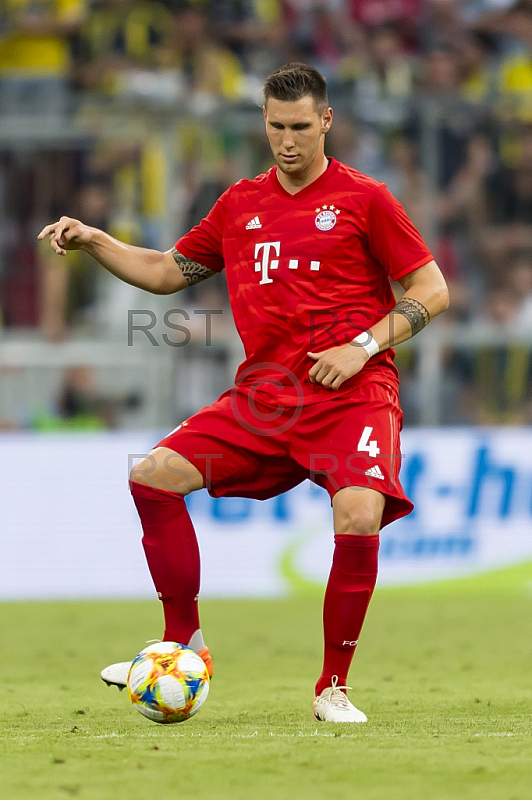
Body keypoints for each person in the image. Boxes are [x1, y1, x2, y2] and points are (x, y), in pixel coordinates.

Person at [38, 62, 449, 723]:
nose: (287, 141)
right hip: (266, 398)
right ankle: (183, 645)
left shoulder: (365, 198)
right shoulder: (240, 204)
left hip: (353, 391)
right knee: (152, 478)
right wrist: (95, 241)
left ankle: (332, 687)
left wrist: (362, 347)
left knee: (359, 514)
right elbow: (170, 272)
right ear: (263, 121)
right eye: (275, 127)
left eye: (299, 128)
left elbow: (432, 290)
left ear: (326, 122)